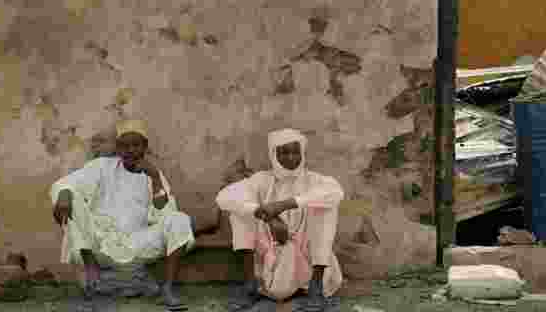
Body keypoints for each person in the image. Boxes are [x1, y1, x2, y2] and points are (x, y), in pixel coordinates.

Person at [50, 118, 195, 311]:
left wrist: (155, 179)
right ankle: (92, 270)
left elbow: (164, 214)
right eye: (125, 145)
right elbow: (68, 182)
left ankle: (167, 288)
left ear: (145, 147)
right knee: (68, 195)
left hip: (139, 243)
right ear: (118, 148)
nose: (131, 150)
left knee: (179, 220)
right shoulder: (102, 166)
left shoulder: (153, 173)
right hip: (100, 243)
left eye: (136, 145)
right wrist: (65, 195)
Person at [216, 129, 344, 312]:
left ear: (302, 153)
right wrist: (265, 215)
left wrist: (284, 205)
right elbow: (224, 197)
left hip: (306, 256)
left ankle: (316, 286)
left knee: (326, 207)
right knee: (239, 212)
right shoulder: (262, 180)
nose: (291, 157)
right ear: (273, 154)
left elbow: (336, 193)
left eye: (295, 152)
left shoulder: (314, 180)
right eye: (284, 152)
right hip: (272, 257)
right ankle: (250, 284)